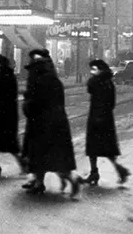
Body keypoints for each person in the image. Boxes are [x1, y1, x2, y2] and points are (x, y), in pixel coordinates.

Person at [21, 49, 79, 197]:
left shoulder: (38, 81)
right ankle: (66, 180)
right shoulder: (54, 79)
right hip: (57, 123)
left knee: (39, 155)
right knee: (53, 157)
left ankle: (41, 183)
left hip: (40, 123)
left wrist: (27, 104)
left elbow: (33, 103)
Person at [82, 59, 130, 186]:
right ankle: (118, 170)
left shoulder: (97, 82)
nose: (92, 71)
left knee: (94, 148)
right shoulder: (109, 82)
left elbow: (90, 88)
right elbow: (112, 103)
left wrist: (98, 116)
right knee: (106, 149)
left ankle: (95, 172)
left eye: (93, 69)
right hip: (106, 120)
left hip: (96, 119)